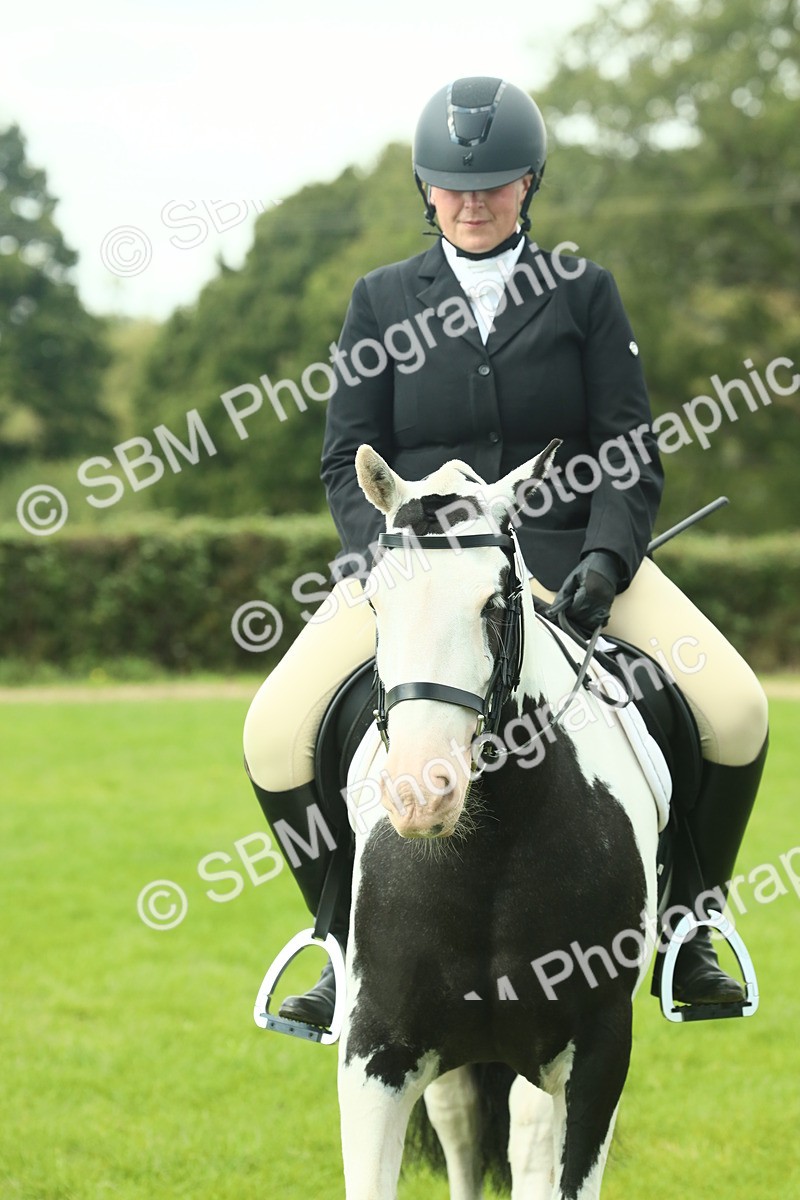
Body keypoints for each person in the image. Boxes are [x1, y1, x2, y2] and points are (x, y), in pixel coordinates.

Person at [243, 77, 768, 1028]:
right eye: (452, 184)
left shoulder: (583, 293)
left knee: (735, 708)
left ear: (530, 183)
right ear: (425, 189)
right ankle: (336, 937)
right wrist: (388, 565)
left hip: (569, 553)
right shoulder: (381, 300)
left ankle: (691, 928)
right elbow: (340, 458)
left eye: (493, 183)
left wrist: (606, 567)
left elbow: (629, 449)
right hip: (422, 569)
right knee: (273, 732)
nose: (472, 201)